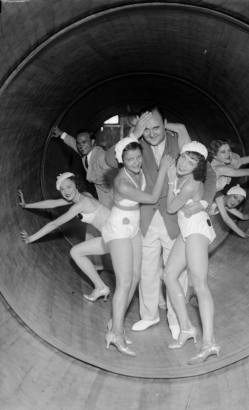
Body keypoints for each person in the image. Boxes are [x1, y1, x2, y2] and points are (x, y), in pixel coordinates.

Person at [105, 108, 217, 340]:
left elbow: (211, 174)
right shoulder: (136, 146)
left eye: (157, 127)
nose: (152, 133)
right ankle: (149, 315)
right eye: (146, 129)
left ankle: (177, 321)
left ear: (166, 124)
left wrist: (204, 202)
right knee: (147, 267)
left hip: (174, 216)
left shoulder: (181, 145)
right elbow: (109, 158)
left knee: (176, 271)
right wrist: (134, 134)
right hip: (145, 215)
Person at [103, 136, 173, 357]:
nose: (135, 162)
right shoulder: (122, 182)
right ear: (121, 161)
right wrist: (163, 169)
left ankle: (115, 321)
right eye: (129, 159)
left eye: (137, 157)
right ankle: (116, 334)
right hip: (119, 229)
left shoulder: (137, 171)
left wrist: (136, 132)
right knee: (124, 282)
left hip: (133, 225)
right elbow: (152, 198)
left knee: (135, 277)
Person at [163, 141, 220, 365]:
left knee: (199, 284)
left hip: (196, 228)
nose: (185, 164)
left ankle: (209, 343)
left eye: (192, 161)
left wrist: (169, 181)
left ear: (199, 166)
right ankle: (186, 328)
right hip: (187, 229)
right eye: (184, 157)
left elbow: (170, 208)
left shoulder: (190, 182)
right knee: (168, 275)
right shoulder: (184, 177)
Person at [19, 173, 111, 301]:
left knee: (76, 252)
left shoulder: (81, 204)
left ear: (76, 185)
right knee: (76, 252)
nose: (66, 191)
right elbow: (53, 203)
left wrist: (31, 238)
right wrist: (26, 205)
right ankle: (101, 287)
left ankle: (101, 287)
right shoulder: (82, 195)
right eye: (62, 189)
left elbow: (55, 223)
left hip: (117, 235)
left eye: (68, 187)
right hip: (112, 235)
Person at [52, 126, 117, 271]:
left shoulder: (100, 157)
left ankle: (115, 262)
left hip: (112, 199)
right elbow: (74, 144)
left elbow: (116, 179)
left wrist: (118, 206)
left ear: (93, 142)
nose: (81, 146)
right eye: (80, 143)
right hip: (102, 196)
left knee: (111, 234)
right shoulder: (86, 152)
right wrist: (61, 134)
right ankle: (98, 263)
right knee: (91, 231)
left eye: (84, 142)